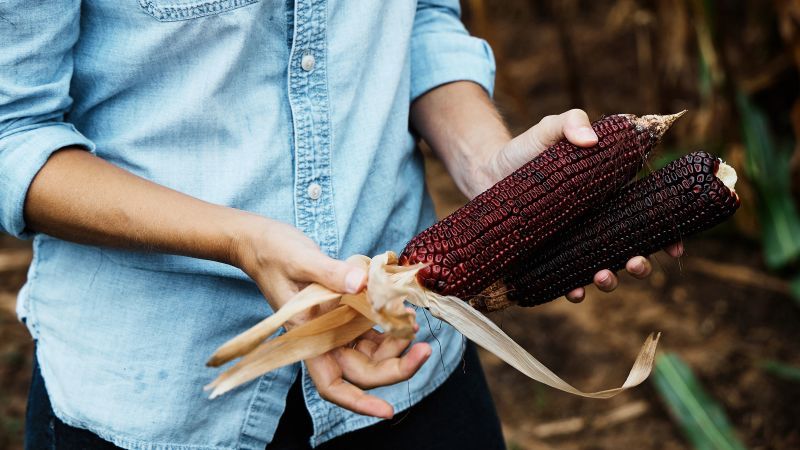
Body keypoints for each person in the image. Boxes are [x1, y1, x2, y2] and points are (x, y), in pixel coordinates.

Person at [0, 1, 681, 449]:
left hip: (411, 359)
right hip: (162, 396)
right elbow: (14, 133)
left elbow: (421, 19)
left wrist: (490, 166)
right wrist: (241, 240)